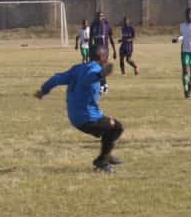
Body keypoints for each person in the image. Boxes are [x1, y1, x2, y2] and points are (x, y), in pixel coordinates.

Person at [35, 45, 124, 173]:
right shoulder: (94, 69)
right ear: (102, 57)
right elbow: (88, 77)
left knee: (109, 129)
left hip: (75, 116)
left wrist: (43, 90)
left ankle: (106, 155)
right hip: (87, 118)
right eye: (107, 55)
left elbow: (56, 78)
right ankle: (102, 161)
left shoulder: (77, 68)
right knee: (116, 127)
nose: (108, 58)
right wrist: (100, 74)